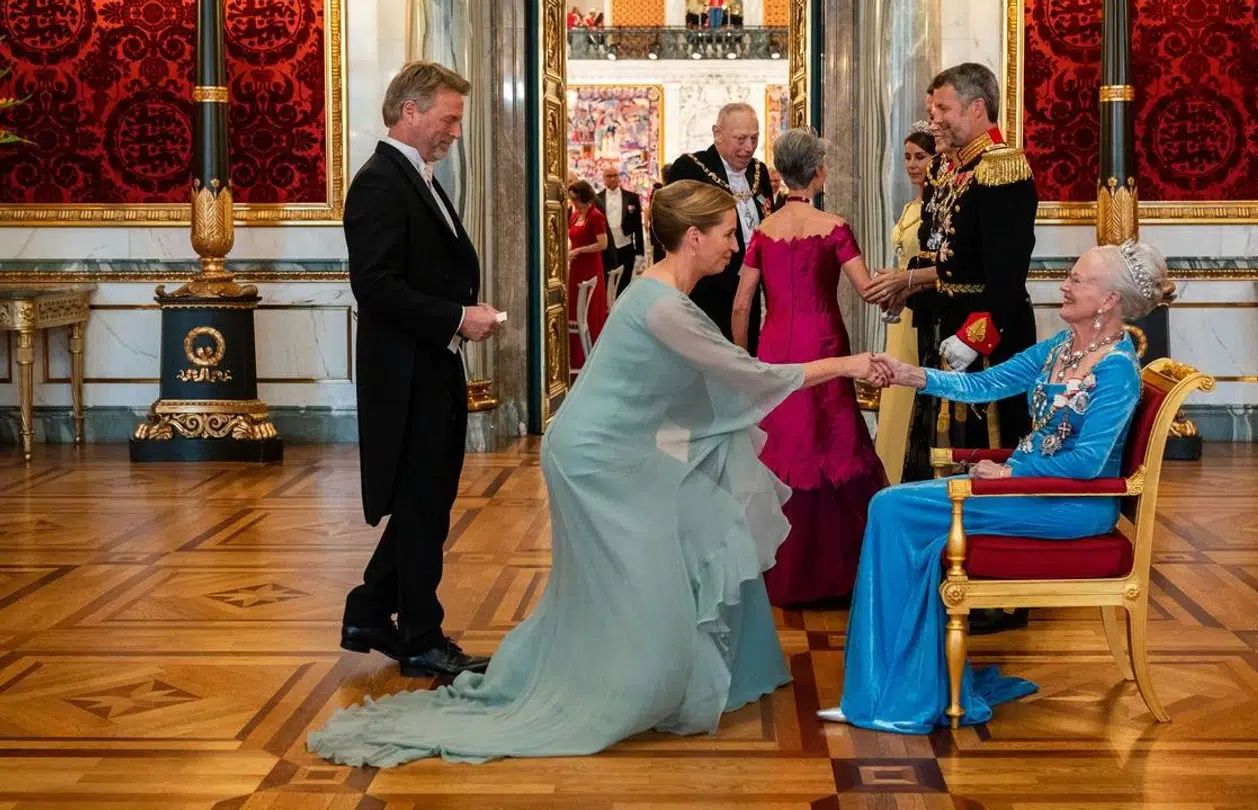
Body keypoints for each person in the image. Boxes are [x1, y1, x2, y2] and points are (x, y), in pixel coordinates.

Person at [307, 180, 892, 767]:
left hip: (613, 449)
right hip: (593, 459)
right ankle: (625, 686)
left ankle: (658, 673)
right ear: (693, 238)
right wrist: (850, 364)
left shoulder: (662, 294)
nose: (735, 246)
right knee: (640, 575)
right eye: (725, 234)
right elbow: (753, 378)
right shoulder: (664, 306)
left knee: (677, 545)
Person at [819, 241, 1176, 734]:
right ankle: (893, 688)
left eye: (1077, 279)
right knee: (890, 509)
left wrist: (1010, 475)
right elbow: (985, 385)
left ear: (1109, 299)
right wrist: (907, 375)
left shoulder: (1116, 371)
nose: (1064, 286)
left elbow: (1089, 463)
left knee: (891, 508)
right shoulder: (1062, 347)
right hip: (1026, 488)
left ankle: (894, 694)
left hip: (1069, 503)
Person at [864, 64, 1040, 636]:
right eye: (931, 109)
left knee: (987, 453)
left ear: (976, 108)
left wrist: (974, 338)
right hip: (945, 329)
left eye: (941, 109)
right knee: (945, 452)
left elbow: (1004, 278)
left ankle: (997, 587)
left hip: (990, 340)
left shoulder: (1002, 169)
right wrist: (908, 284)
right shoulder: (950, 167)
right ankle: (950, 570)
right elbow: (944, 258)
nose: (933, 119)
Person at [341, 62, 500, 678]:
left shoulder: (414, 176)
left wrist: (459, 317)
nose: (455, 131)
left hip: (430, 367)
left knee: (425, 502)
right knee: (422, 506)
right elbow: (375, 285)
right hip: (405, 378)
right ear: (410, 111)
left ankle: (369, 613)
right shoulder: (380, 183)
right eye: (449, 118)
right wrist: (457, 317)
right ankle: (422, 640)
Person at [732, 129, 889, 607]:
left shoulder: (764, 231)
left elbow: (741, 304)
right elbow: (866, 289)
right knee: (832, 440)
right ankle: (840, 570)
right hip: (824, 342)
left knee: (782, 442)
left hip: (775, 346)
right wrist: (906, 282)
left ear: (781, 173)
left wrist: (743, 361)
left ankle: (774, 567)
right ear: (819, 173)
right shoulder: (834, 227)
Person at [667, 103, 774, 353]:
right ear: (717, 134)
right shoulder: (691, 169)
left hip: (749, 289)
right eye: (740, 139)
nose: (749, 147)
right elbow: (674, 229)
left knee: (746, 351)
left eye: (754, 138)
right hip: (707, 289)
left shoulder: (759, 171)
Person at [874, 123, 936, 484]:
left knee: (911, 391)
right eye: (908, 158)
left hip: (921, 310)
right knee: (895, 394)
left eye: (921, 157)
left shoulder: (937, 209)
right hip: (900, 311)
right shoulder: (911, 205)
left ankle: (907, 476)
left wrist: (904, 285)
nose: (912, 165)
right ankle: (889, 476)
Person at [567, 179, 610, 371]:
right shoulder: (575, 215)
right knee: (574, 308)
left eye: (575, 199)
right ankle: (575, 355)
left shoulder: (595, 216)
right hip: (576, 266)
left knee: (588, 309)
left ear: (583, 197)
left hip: (590, 266)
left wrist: (580, 250)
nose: (573, 203)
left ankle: (590, 353)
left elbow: (603, 244)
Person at [599, 165, 646, 295]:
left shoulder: (632, 197)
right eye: (609, 176)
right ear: (604, 178)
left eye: (615, 175)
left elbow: (638, 226)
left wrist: (640, 252)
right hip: (606, 249)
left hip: (626, 247)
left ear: (619, 177)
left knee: (625, 285)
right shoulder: (598, 199)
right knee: (607, 285)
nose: (612, 179)